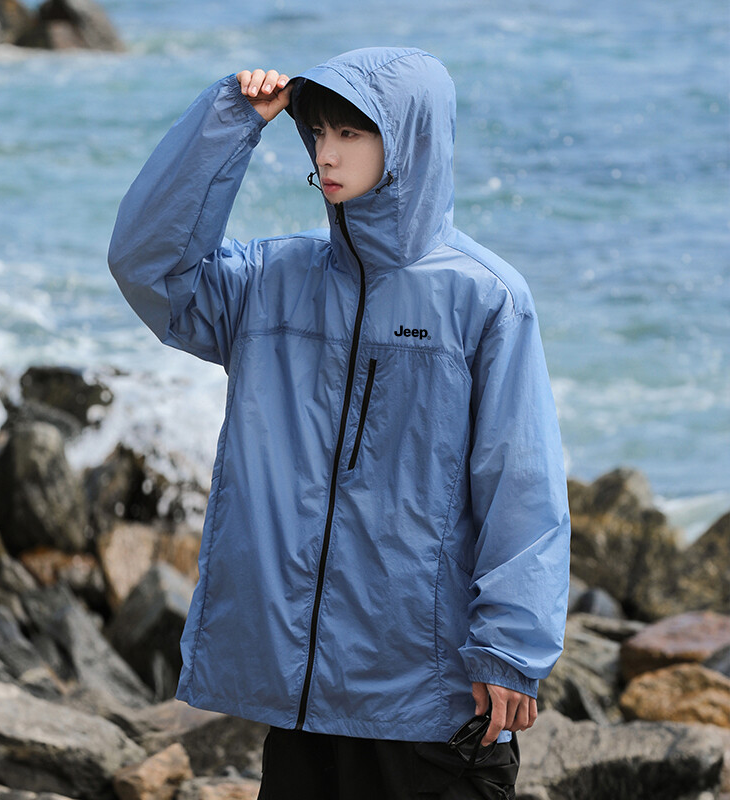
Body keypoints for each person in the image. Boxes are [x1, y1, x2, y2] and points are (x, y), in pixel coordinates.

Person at [108, 47, 570, 800]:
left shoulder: (485, 299)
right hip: (303, 698)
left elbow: (522, 485)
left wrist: (511, 651)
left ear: (409, 141)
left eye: (351, 133)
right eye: (318, 131)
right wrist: (228, 124)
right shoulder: (269, 282)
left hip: (430, 704)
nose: (326, 152)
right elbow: (148, 268)